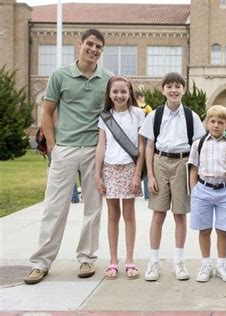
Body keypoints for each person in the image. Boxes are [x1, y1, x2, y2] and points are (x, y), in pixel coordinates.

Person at [24, 29, 112, 285]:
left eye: (98, 46)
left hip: (95, 152)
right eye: (90, 44)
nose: (93, 49)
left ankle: (87, 258)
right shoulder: (60, 75)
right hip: (65, 149)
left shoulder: (107, 79)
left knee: (93, 208)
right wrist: (53, 146)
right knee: (54, 207)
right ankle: (41, 262)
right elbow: (47, 112)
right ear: (80, 45)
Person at [138, 72, 206, 282]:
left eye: (177, 86)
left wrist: (194, 176)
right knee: (158, 214)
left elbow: (198, 146)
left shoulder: (191, 116)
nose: (173, 90)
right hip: (160, 162)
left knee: (180, 214)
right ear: (163, 90)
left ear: (183, 90)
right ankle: (154, 261)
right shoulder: (155, 115)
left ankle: (178, 261)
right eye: (169, 86)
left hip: (182, 163)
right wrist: (150, 175)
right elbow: (149, 146)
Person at [94, 75, 145, 280]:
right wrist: (97, 174)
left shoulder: (139, 114)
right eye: (115, 91)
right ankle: (113, 260)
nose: (119, 95)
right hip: (110, 168)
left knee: (129, 215)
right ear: (109, 93)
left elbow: (141, 147)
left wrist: (137, 175)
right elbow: (101, 146)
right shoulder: (104, 117)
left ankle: (130, 259)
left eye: (123, 91)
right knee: (112, 215)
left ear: (129, 92)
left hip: (129, 168)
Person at [188, 105, 226, 283]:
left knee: (222, 230)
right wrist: (194, 189)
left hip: (225, 192)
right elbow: (193, 168)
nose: (216, 125)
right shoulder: (199, 144)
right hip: (202, 190)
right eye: (212, 121)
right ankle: (206, 264)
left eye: (221, 122)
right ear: (206, 123)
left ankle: (221, 264)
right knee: (204, 230)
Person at [135, 90, 152, 200]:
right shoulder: (147, 107)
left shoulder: (133, 108)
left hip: (133, 136)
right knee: (146, 163)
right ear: (141, 97)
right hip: (145, 136)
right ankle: (147, 194)